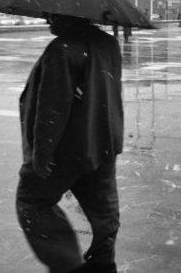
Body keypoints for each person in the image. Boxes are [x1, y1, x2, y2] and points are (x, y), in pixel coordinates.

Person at [16, 14, 123, 273]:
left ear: (68, 16)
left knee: (32, 202)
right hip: (103, 142)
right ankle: (102, 264)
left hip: (66, 148)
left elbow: (51, 108)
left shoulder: (61, 49)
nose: (47, 20)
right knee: (104, 213)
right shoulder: (108, 44)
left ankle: (69, 266)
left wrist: (41, 156)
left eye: (52, 15)